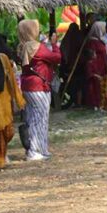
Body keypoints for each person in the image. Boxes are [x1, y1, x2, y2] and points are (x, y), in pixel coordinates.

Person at [18, 20, 61, 161]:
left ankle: (40, 149)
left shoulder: (22, 46)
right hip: (39, 87)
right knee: (40, 118)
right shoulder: (37, 47)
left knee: (32, 117)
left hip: (27, 86)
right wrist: (54, 44)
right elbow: (56, 58)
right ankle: (35, 150)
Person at [0, 29, 25, 172]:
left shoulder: (3, 59)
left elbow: (11, 81)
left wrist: (18, 99)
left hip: (3, 104)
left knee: (7, 132)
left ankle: (0, 156)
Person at [83, 21, 107, 110]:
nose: (104, 30)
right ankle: (97, 104)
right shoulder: (92, 42)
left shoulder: (100, 40)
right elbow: (92, 56)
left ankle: (104, 104)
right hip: (97, 68)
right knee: (96, 87)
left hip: (103, 67)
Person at [59, 22, 85, 107]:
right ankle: (77, 102)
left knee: (75, 84)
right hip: (73, 66)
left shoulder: (70, 39)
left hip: (74, 66)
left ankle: (77, 102)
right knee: (77, 85)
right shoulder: (74, 39)